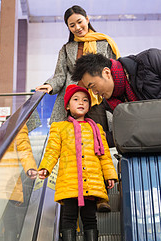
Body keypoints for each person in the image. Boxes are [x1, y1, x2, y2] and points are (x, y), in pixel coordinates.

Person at [35, 5, 120, 212]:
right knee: (74, 148)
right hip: (76, 101)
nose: (77, 27)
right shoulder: (67, 49)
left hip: (98, 101)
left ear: (87, 19)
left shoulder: (104, 42)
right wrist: (50, 85)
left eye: (79, 22)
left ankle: (102, 198)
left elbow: (114, 69)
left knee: (99, 146)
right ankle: (75, 192)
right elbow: (60, 75)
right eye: (71, 25)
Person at [38, 85, 118, 241]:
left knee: (90, 217)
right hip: (69, 182)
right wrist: (45, 167)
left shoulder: (96, 128)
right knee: (69, 217)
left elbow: (104, 155)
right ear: (67, 105)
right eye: (76, 99)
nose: (81, 102)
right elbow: (52, 151)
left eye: (85, 100)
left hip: (91, 182)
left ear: (89, 106)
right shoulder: (59, 127)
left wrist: (110, 175)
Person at [71, 49, 161, 112]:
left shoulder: (149, 61)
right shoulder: (112, 103)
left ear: (106, 73)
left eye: (93, 86)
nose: (94, 93)